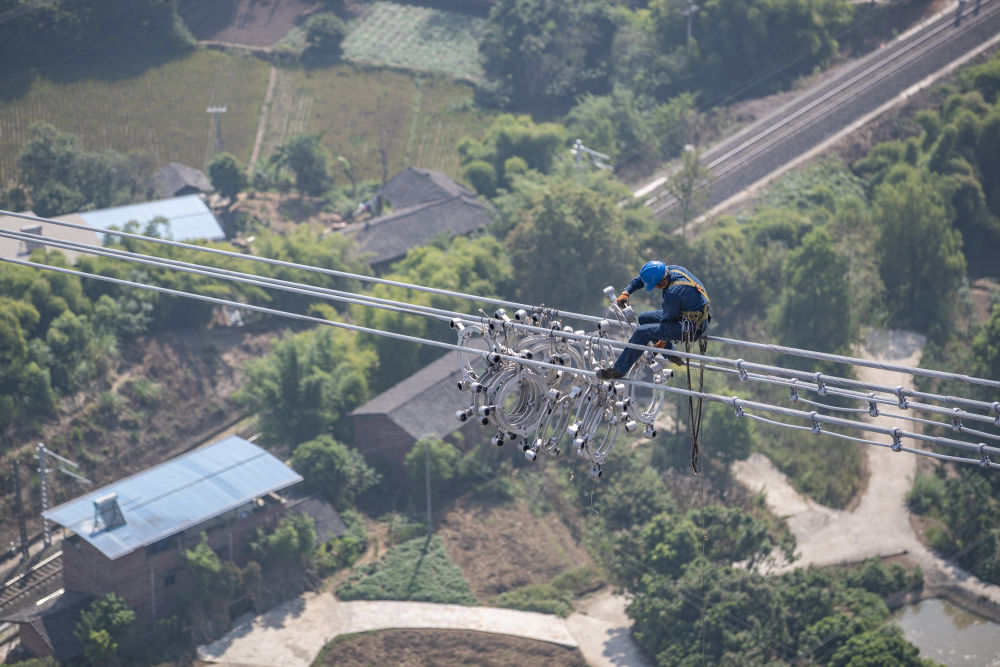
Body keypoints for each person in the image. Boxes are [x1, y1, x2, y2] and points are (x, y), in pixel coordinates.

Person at [596, 260, 710, 380]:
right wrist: (627, 292)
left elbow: (667, 321)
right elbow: (642, 279)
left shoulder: (673, 293)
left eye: (655, 285)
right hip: (683, 315)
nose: (655, 287)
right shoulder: (672, 270)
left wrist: (662, 342)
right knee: (644, 318)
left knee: (642, 332)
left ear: (662, 282)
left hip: (691, 327)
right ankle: (671, 354)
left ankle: (618, 371)